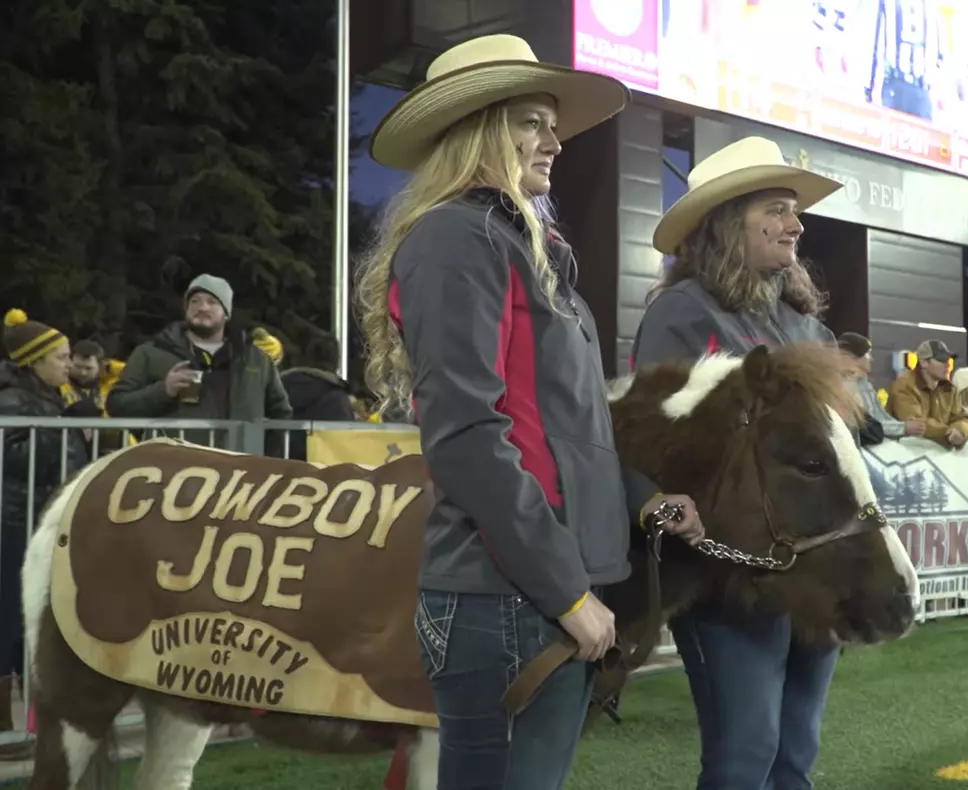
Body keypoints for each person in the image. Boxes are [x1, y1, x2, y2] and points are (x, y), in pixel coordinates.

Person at [357, 34, 704, 789]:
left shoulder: (512, 245)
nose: (554, 140)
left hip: (532, 591)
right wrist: (567, 593)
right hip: (505, 598)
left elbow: (568, 433)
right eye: (530, 122)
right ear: (477, 129)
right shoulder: (456, 238)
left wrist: (641, 503)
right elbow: (469, 437)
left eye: (551, 123)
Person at [632, 135, 846, 790]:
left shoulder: (807, 325)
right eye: (778, 209)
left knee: (794, 753)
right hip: (729, 579)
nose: (796, 224)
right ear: (728, 222)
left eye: (794, 211)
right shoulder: (681, 313)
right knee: (745, 755)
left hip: (817, 569)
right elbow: (647, 436)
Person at [0, 309, 89, 759]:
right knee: (9, 620)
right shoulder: (13, 401)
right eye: (61, 357)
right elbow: (14, 456)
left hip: (42, 521)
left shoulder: (55, 398)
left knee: (36, 618)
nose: (68, 364)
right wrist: (68, 426)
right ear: (34, 362)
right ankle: (3, 726)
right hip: (13, 523)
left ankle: (35, 722)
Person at [106, 274, 292, 446]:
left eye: (212, 302)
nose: (202, 307)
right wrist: (163, 390)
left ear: (226, 313)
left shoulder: (255, 359)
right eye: (194, 301)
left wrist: (264, 459)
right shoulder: (151, 353)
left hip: (239, 472)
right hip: (174, 470)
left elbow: (281, 414)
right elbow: (117, 405)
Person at [837, 331, 926, 441]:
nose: (871, 359)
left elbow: (880, 417)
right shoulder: (845, 386)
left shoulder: (865, 384)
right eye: (868, 354)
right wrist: (904, 428)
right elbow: (865, 427)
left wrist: (903, 425)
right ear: (856, 358)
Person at [888, 339, 968, 450]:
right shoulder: (904, 386)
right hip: (905, 454)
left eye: (948, 359)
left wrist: (961, 430)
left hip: (935, 456)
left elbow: (963, 419)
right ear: (924, 362)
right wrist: (949, 432)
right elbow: (917, 423)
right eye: (941, 360)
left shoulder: (949, 389)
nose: (948, 364)